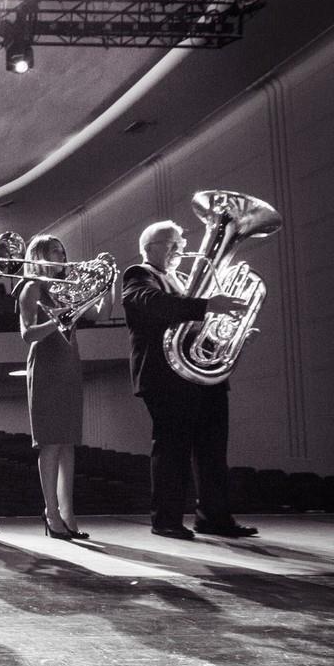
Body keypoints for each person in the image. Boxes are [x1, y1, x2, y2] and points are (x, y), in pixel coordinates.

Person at [123, 220, 256, 539]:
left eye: (181, 244)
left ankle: (214, 517)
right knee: (172, 450)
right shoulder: (139, 275)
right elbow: (151, 305)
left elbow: (199, 326)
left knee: (213, 451)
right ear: (149, 247)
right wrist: (207, 305)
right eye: (172, 244)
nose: (180, 250)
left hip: (202, 376)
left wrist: (232, 336)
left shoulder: (184, 281)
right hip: (165, 377)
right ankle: (166, 520)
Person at [15, 234, 112, 540]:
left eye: (62, 251)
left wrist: (108, 286)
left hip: (70, 364)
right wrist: (58, 319)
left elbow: (102, 315)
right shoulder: (31, 288)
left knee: (68, 442)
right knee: (51, 443)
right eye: (54, 252)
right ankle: (51, 512)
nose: (61, 256)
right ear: (40, 255)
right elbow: (28, 334)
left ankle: (68, 512)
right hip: (45, 366)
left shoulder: (67, 289)